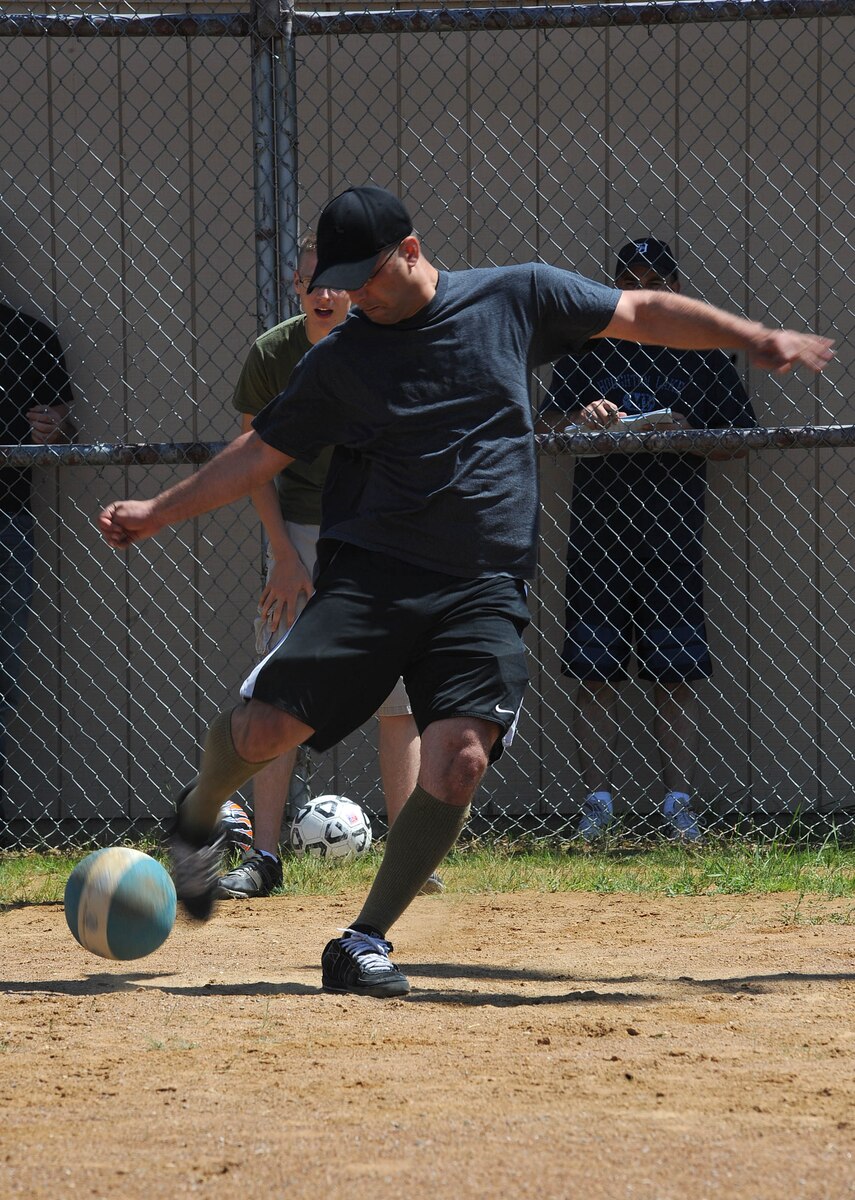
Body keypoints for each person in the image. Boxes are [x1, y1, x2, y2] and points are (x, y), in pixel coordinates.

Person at [97, 185, 833, 999]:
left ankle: (362, 940)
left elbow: (640, 310)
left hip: (482, 583)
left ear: (410, 251)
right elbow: (258, 453)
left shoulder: (514, 296)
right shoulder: (339, 360)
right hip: (372, 577)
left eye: (365, 277)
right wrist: (158, 511)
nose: (351, 296)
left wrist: (750, 335)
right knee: (267, 727)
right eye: (338, 282)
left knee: (460, 761)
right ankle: (200, 813)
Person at [216, 233, 428, 899]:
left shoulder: (385, 342)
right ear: (296, 287)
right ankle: (265, 856)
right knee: (275, 693)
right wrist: (283, 554)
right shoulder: (273, 354)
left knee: (398, 700)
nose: (325, 293)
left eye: (337, 280)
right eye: (312, 281)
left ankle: (411, 857)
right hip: (302, 534)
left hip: (378, 533)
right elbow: (254, 461)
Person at [538, 238, 757, 843]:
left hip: (672, 535)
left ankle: (678, 802)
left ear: (675, 288)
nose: (643, 292)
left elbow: (742, 437)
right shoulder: (590, 350)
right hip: (599, 534)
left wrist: (690, 434)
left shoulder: (702, 353)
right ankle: (597, 806)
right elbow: (543, 425)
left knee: (675, 671)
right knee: (594, 669)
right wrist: (581, 418)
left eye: (654, 281)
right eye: (631, 282)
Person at [1, 301, 75, 834]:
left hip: (8, 519)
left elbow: (63, 430)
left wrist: (56, 429)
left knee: (3, 675)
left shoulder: (29, 336)